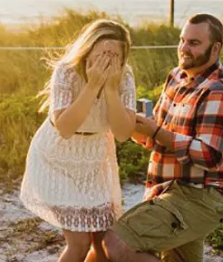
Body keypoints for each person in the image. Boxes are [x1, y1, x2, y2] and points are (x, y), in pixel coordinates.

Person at [100, 13, 223, 262]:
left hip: (199, 199)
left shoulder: (221, 90)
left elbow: (209, 155)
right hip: (165, 191)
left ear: (215, 48)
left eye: (194, 43)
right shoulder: (176, 77)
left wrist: (156, 131)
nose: (184, 48)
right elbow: (156, 136)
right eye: (182, 40)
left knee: (115, 243)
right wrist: (125, 122)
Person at [20, 19, 137, 262]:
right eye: (102, 53)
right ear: (88, 49)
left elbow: (123, 133)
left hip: (94, 159)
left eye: (114, 56)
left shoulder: (124, 76)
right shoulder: (67, 71)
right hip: (56, 159)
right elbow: (64, 127)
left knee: (103, 243)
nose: (108, 60)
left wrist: (112, 90)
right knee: (80, 242)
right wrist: (93, 85)